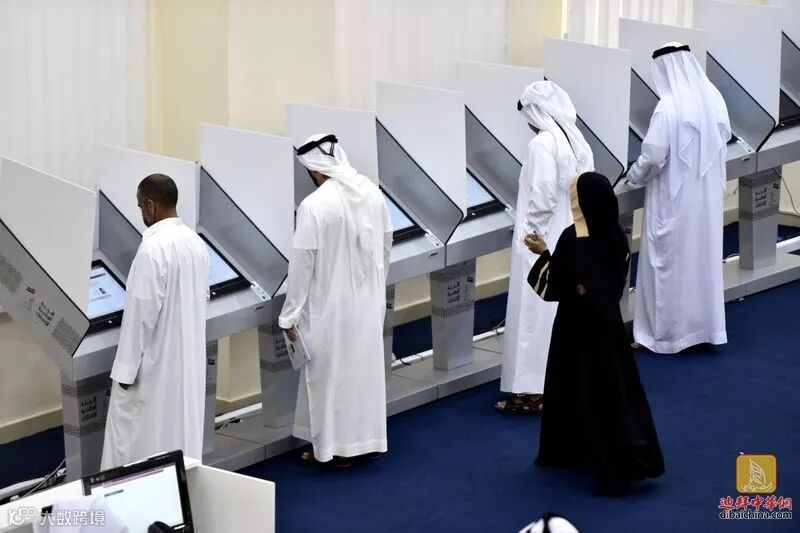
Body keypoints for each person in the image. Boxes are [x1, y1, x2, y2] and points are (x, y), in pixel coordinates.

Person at [527, 172, 664, 495]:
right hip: (609, 327)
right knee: (613, 393)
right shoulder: (616, 235)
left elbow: (555, 285)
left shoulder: (573, 239)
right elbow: (603, 284)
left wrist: (544, 254)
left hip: (575, 328)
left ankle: (579, 454)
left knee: (579, 389)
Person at [279, 133, 392, 467]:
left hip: (328, 308)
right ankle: (368, 441)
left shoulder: (314, 206)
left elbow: (302, 265)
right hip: (368, 302)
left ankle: (332, 450)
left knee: (330, 380)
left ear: (315, 170)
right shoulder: (372, 193)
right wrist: (376, 290)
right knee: (364, 374)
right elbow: (386, 245)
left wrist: (289, 314)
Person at [616, 42, 731, 354]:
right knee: (701, 262)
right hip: (706, 201)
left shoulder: (668, 107)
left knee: (667, 265)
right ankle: (702, 330)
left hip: (673, 201)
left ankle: (662, 337)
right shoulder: (713, 98)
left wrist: (631, 177)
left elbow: (653, 157)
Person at [497, 81, 594, 414]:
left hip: (542, 239)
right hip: (569, 235)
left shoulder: (541, 144)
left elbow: (542, 197)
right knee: (556, 313)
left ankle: (532, 390)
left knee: (533, 313)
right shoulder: (576, 142)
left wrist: (530, 237)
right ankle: (558, 383)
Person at [101, 174, 209, 470]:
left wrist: (124, 373)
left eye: (140, 206)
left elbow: (139, 316)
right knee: (179, 436)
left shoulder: (152, 249)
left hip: (153, 369)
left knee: (135, 440)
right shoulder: (195, 243)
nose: (141, 213)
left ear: (151, 205)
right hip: (185, 364)